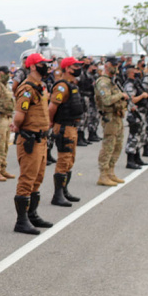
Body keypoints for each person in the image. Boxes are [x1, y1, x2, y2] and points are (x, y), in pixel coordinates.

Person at [11, 53, 54, 235]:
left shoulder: (39, 86)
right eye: (44, 64)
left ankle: (32, 214)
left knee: (37, 178)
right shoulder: (27, 89)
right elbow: (19, 117)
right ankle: (21, 221)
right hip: (30, 139)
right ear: (34, 66)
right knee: (27, 179)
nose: (48, 67)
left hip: (41, 139)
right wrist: (22, 128)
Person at [48, 57, 85, 206]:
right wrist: (51, 122)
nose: (78, 69)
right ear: (68, 68)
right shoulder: (62, 87)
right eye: (76, 66)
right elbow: (52, 108)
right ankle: (57, 195)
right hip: (64, 127)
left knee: (70, 160)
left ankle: (64, 190)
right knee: (63, 161)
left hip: (72, 127)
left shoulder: (71, 85)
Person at [95, 56, 129, 186]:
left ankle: (111, 172)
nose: (116, 67)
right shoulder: (103, 82)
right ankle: (103, 175)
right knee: (108, 145)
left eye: (117, 65)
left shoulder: (112, 81)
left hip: (117, 117)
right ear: (106, 65)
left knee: (118, 145)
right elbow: (107, 100)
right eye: (113, 65)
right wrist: (121, 95)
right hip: (109, 117)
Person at [122, 64, 148, 170]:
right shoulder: (129, 85)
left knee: (140, 136)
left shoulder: (136, 83)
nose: (138, 71)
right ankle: (130, 160)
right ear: (131, 72)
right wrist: (142, 96)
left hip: (142, 112)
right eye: (135, 70)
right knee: (133, 136)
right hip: (135, 113)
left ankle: (137, 157)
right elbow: (131, 99)